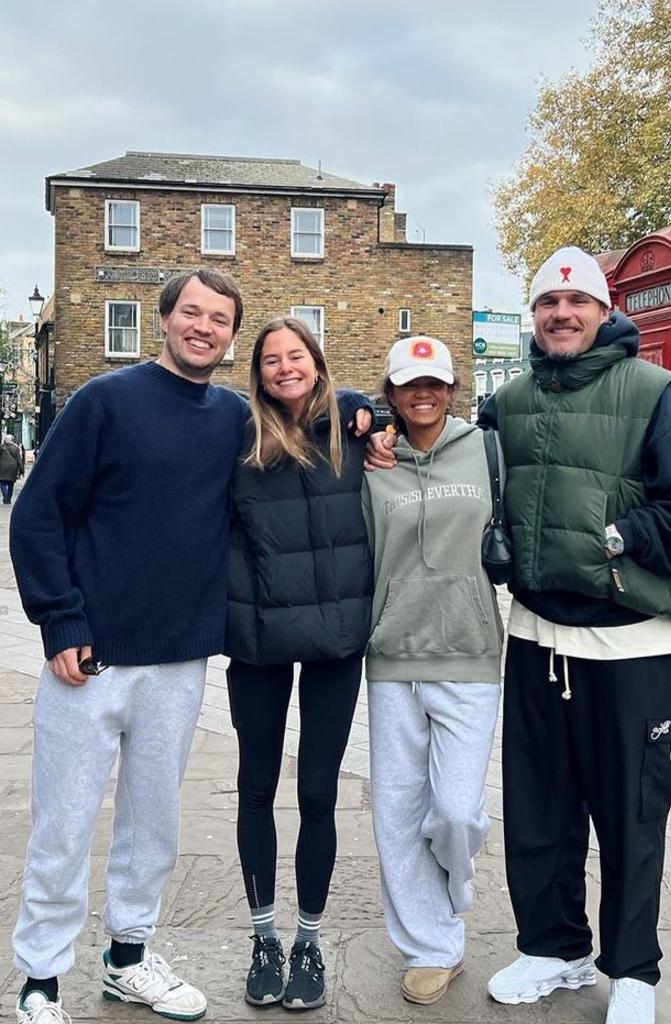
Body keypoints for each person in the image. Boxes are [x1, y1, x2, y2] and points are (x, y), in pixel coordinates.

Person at [478, 248, 671, 1024]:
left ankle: (633, 969)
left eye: (576, 302)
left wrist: (616, 538)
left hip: (627, 644)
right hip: (535, 636)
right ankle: (555, 950)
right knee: (539, 811)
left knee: (631, 812)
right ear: (535, 317)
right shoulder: (509, 399)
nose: (562, 315)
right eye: (548, 304)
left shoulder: (658, 392)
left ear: (602, 310)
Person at [9, 269, 250, 1024]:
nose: (203, 327)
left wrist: (355, 416)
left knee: (154, 825)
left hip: (180, 662)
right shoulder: (103, 402)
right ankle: (41, 980)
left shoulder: (232, 418)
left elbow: (305, 419)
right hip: (93, 661)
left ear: (232, 335)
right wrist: (61, 620)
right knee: (64, 824)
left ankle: (127, 957)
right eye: (191, 313)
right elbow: (38, 516)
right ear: (166, 319)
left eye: (218, 318)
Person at [224, 316, 373, 1012]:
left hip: (337, 639)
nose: (285, 368)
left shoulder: (353, 428)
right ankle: (263, 938)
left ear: (317, 362)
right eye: (272, 360)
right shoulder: (239, 435)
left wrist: (365, 411)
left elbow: (409, 414)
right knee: (255, 788)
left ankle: (309, 939)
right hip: (258, 638)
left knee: (318, 791)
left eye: (297, 357)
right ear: (257, 374)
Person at [362, 336, 503, 1005]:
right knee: (396, 812)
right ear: (389, 392)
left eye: (436, 383)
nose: (424, 394)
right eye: (410, 384)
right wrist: (360, 421)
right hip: (391, 656)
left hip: (470, 651)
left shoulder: (487, 447)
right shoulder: (370, 462)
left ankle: (452, 878)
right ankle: (432, 946)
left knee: (454, 811)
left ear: (452, 388)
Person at [0, 432, 24, 504]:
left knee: (3, 482)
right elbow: (19, 460)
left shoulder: (1, 447)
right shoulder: (16, 448)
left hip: (3, 466)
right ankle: (9, 498)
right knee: (11, 483)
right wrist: (22, 470)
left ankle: (5, 497)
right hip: (13, 467)